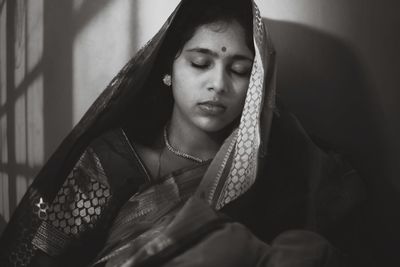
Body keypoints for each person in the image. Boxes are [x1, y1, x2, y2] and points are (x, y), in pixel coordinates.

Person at [0, 0, 365, 266]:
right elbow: (45, 259)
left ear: (257, 86)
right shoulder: (110, 160)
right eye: (200, 63)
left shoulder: (270, 171)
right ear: (169, 70)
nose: (217, 84)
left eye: (239, 70)